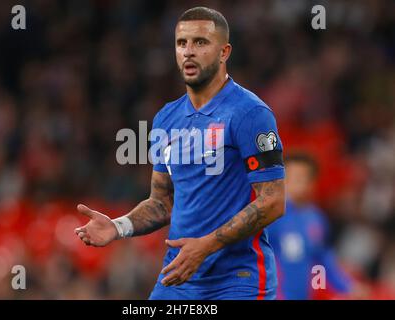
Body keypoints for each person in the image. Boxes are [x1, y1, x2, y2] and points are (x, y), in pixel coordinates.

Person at [74, 7, 286, 300]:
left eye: (200, 42)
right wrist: (118, 226)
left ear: (224, 52)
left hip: (237, 281)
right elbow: (162, 203)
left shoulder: (250, 113)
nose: (188, 51)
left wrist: (206, 246)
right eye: (181, 43)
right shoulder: (166, 118)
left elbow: (273, 201)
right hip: (178, 279)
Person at [267, 152, 352, 299]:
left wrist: (347, 287)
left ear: (312, 182)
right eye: (291, 178)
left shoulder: (316, 218)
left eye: (302, 178)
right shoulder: (270, 216)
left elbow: (324, 258)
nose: (297, 184)